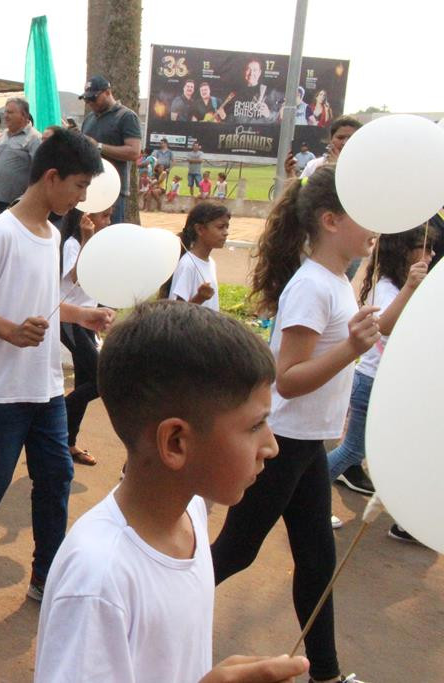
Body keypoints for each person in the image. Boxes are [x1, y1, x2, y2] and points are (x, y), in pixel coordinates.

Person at [35, 301, 310, 683]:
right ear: (176, 442)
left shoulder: (191, 512)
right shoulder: (99, 580)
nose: (272, 446)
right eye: (254, 426)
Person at [211, 165, 377, 683]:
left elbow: (347, 343)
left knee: (316, 562)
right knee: (235, 553)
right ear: (330, 220)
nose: (375, 225)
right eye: (362, 214)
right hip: (281, 442)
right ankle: (141, 604)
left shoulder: (335, 281)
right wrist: (352, 346)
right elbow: (289, 379)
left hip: (306, 444)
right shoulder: (312, 287)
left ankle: (324, 673)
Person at [0, 129, 115, 606]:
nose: (81, 199)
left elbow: (44, 300)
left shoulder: (51, 233)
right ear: (52, 177)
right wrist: (11, 332)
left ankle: (47, 572)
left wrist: (83, 314)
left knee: (55, 475)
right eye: (78, 187)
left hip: (44, 385)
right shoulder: (1, 232)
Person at [327, 226, 435, 531]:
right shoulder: (390, 287)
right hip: (371, 382)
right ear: (403, 251)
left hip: (381, 384)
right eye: (424, 248)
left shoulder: (400, 285)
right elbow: (384, 327)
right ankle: (305, 494)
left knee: (363, 448)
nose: (431, 254)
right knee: (352, 449)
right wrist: (411, 289)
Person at [59, 206, 113, 467]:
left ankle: (68, 442)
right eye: (104, 215)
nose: (108, 221)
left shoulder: (100, 246)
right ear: (86, 218)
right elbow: (76, 278)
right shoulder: (72, 244)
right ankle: (56, 416)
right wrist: (86, 239)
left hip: (88, 321)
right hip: (70, 319)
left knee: (86, 380)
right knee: (101, 380)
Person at [79, 75, 142, 224]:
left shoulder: (126, 116)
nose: (90, 103)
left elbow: (134, 152)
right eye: (86, 99)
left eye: (93, 98)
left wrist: (98, 146)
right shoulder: (89, 118)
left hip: (113, 192)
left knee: (108, 239)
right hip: (89, 189)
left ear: (107, 92)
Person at [165, 202, 230, 311]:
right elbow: (177, 312)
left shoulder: (211, 263)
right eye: (220, 227)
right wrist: (200, 298)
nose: (226, 233)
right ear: (200, 229)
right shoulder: (188, 265)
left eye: (227, 227)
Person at [0, 97, 42, 218]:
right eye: (5, 112)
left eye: (10, 112)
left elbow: (39, 172)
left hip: (13, 205)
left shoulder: (34, 138)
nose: (6, 116)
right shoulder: (2, 136)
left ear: (24, 115)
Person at [230, 58, 281, 125]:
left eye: (255, 70)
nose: (251, 73)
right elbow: (230, 116)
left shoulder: (269, 93)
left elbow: (277, 118)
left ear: (259, 72)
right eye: (248, 69)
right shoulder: (235, 92)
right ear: (244, 71)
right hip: (238, 133)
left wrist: (268, 114)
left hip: (260, 134)